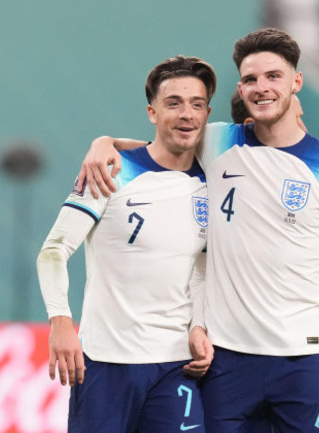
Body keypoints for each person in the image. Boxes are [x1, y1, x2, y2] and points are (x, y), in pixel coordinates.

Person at [78, 28, 319, 431]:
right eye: (251, 79)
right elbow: (161, 146)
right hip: (227, 361)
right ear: (241, 88)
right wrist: (105, 142)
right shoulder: (218, 142)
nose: (262, 87)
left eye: (273, 76)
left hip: (303, 360)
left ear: (296, 82)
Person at [36, 55, 217, 433]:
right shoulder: (111, 170)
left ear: (207, 112)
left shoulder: (211, 181)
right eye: (174, 103)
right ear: (152, 112)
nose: (186, 114)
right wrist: (61, 322)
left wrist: (198, 324)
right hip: (106, 363)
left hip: (176, 366)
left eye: (196, 104)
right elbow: (53, 251)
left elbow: (200, 265)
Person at [231, 88, 319, 361]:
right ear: (251, 126)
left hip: (291, 350)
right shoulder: (212, 180)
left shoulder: (305, 192)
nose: (304, 130)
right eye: (293, 120)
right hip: (228, 349)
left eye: (301, 118)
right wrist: (109, 143)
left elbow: (303, 274)